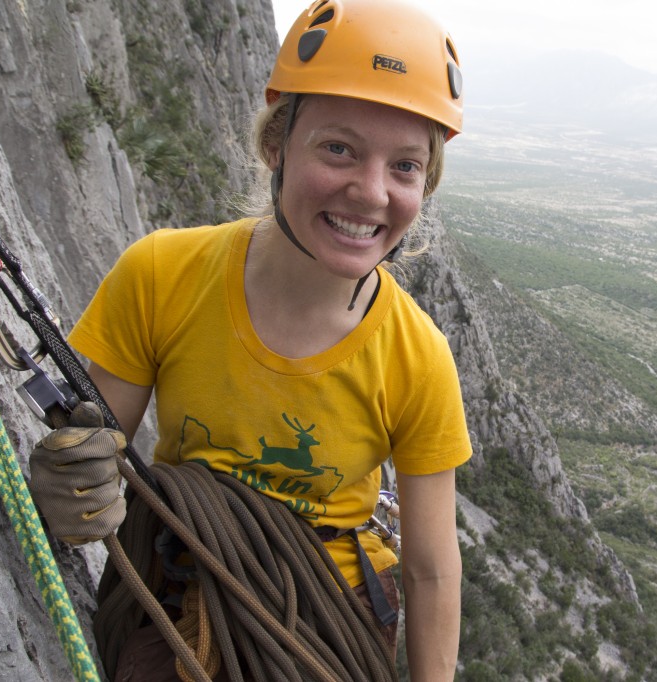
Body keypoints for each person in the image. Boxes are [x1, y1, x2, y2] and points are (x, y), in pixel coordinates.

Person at [27, 0, 472, 679]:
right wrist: (68, 487)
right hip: (185, 573)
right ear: (275, 146)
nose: (370, 192)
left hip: (334, 609)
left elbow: (432, 571)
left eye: (406, 167)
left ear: (425, 186)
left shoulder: (417, 356)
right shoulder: (162, 275)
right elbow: (97, 450)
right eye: (338, 148)